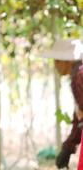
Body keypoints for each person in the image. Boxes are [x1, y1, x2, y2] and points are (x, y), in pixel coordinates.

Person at [36, 38, 83, 169]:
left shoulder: (79, 76)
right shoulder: (77, 75)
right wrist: (68, 147)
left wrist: (68, 148)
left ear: (67, 61)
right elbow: (80, 116)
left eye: (57, 61)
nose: (55, 66)